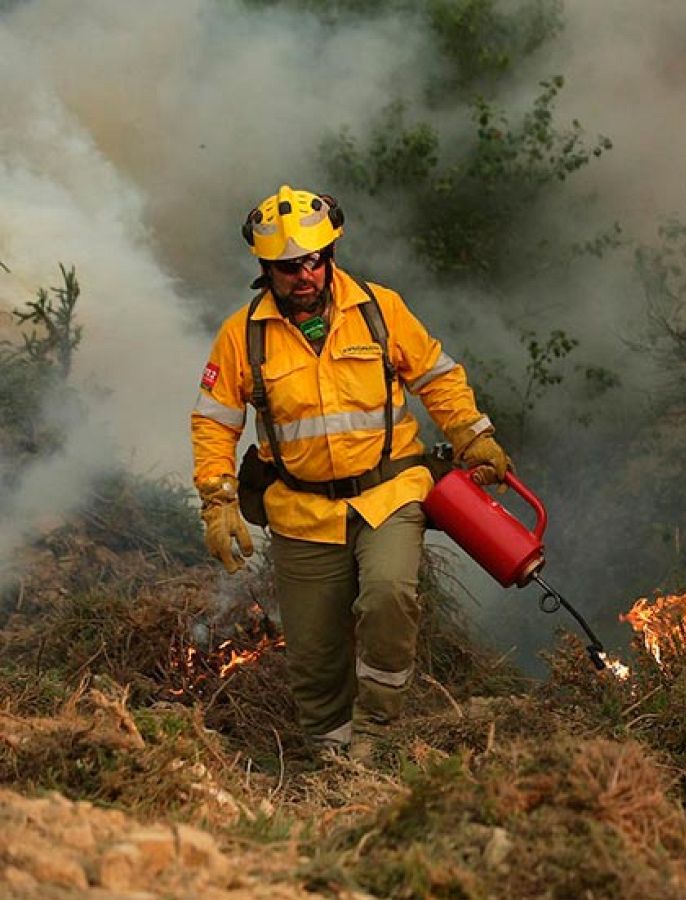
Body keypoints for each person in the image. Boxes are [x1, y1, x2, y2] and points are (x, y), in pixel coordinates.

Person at [190, 184, 510, 760]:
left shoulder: (379, 309)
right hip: (301, 508)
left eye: (314, 260)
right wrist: (218, 501)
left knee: (389, 595)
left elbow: (436, 376)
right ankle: (331, 760)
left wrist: (473, 434)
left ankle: (378, 735)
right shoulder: (243, 336)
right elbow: (214, 422)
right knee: (313, 652)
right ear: (266, 268)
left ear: (330, 254)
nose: (303, 275)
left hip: (390, 492)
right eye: (288, 266)